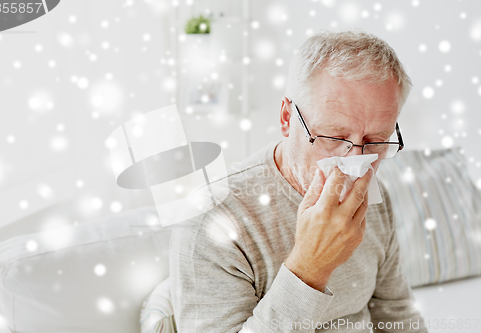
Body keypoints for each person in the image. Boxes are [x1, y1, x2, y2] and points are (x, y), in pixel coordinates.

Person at [169, 30, 429, 332]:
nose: (356, 163)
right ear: (286, 118)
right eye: (335, 136)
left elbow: (396, 314)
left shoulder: (371, 194)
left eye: (375, 141)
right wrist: (311, 268)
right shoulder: (211, 220)